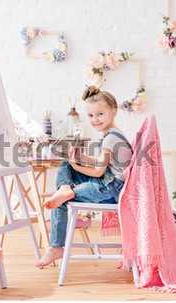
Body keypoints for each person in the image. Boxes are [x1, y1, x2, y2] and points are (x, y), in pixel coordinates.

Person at [35, 85, 133, 268]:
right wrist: (80, 159)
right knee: (66, 165)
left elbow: (98, 172)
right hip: (109, 182)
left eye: (100, 114)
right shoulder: (112, 134)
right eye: (90, 116)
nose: (95, 120)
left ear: (113, 112)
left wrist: (76, 165)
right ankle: (65, 189)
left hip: (111, 188)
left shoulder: (110, 139)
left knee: (62, 198)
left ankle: (56, 246)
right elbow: (102, 164)